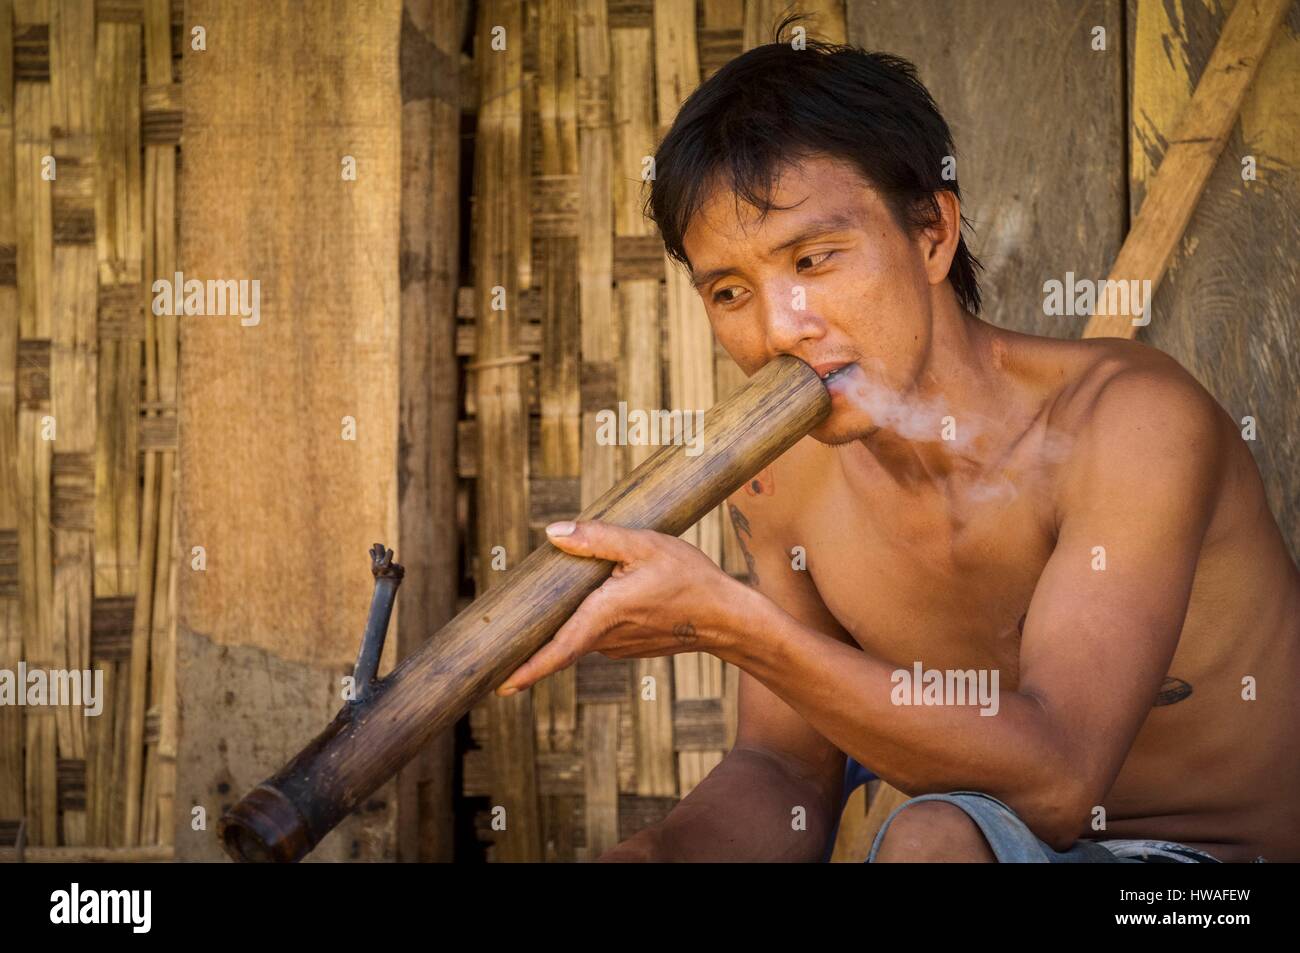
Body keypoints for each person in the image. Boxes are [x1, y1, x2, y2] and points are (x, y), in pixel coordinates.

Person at [496, 21, 1299, 863]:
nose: (778, 329)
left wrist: (729, 624)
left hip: (1215, 888)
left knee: (929, 840)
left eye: (813, 260)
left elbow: (1060, 780)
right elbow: (779, 770)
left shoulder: (1130, 422)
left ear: (931, 235)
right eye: (730, 291)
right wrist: (657, 853)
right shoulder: (782, 485)